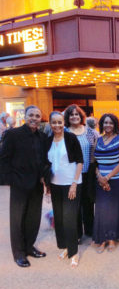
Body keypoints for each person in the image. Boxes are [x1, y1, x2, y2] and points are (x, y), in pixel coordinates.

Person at [0, 105, 48, 267]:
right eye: (31, 115)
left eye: (37, 116)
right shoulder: (13, 134)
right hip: (19, 183)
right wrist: (10, 180)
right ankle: (19, 253)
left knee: (33, 218)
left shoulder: (42, 136)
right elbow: (4, 159)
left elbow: (43, 160)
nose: (34, 118)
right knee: (17, 219)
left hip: (36, 184)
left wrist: (44, 176)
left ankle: (29, 247)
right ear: (25, 117)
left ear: (40, 119)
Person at [47, 111, 83, 268]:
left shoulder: (71, 138)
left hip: (71, 184)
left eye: (59, 122)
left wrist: (74, 183)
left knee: (69, 219)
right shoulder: (48, 140)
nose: (57, 125)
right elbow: (46, 163)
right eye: (54, 122)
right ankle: (67, 248)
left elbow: (80, 162)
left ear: (64, 123)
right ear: (50, 124)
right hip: (55, 185)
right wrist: (46, 184)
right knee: (60, 219)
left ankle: (74, 252)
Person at [93, 113, 119, 253]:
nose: (108, 125)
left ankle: (112, 239)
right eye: (105, 123)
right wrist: (99, 177)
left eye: (111, 123)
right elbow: (94, 162)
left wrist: (107, 177)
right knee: (102, 209)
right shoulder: (98, 140)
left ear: (115, 125)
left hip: (116, 179)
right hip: (100, 179)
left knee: (113, 210)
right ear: (102, 125)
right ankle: (102, 239)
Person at [64, 104, 98, 240]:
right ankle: (77, 234)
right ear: (68, 117)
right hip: (71, 174)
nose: (74, 117)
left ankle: (90, 230)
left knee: (88, 202)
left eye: (76, 114)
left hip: (88, 172)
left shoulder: (91, 132)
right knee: (74, 204)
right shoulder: (64, 132)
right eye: (71, 114)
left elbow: (97, 151)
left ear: (81, 116)